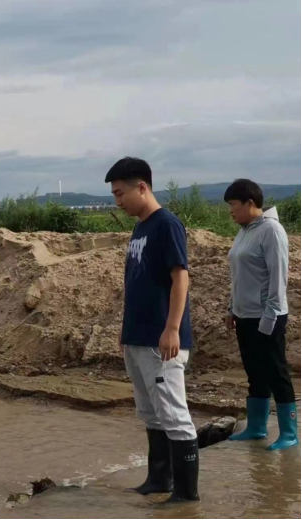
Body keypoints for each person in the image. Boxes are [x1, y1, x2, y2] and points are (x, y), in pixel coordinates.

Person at [105, 157, 200, 503]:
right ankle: (159, 478)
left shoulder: (166, 225)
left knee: (174, 414)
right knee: (150, 412)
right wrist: (127, 335)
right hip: (138, 337)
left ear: (141, 187)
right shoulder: (140, 227)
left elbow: (181, 276)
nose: (117, 201)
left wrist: (172, 328)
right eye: (114, 195)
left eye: (120, 193)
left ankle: (187, 494)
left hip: (162, 340)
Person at [225, 179, 298, 451]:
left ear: (250, 204)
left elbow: (278, 278)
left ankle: (289, 433)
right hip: (245, 316)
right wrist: (232, 308)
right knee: (255, 372)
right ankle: (256, 427)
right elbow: (239, 276)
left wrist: (268, 320)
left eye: (233, 205)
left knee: (275, 371)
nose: (230, 211)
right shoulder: (244, 231)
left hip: (268, 316)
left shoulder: (271, 230)